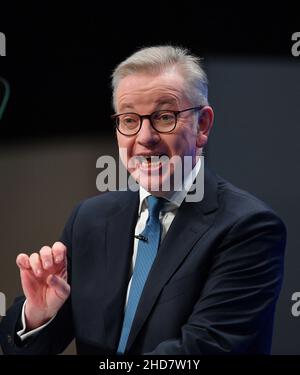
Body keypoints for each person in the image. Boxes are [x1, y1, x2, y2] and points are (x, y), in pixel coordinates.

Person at [0, 45, 286, 355]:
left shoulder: (249, 227)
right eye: (129, 120)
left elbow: (204, 350)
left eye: (164, 117)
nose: (145, 137)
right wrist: (38, 315)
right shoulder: (90, 219)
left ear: (202, 125)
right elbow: (23, 348)